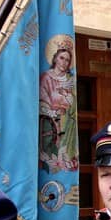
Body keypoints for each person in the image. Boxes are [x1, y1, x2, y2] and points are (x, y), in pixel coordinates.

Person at [38, 39, 78, 173]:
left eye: (67, 60)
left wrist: (67, 96)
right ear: (55, 58)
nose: (64, 62)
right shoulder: (46, 78)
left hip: (67, 123)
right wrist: (53, 112)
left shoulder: (70, 80)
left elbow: (72, 103)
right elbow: (42, 100)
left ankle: (66, 159)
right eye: (61, 58)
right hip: (50, 121)